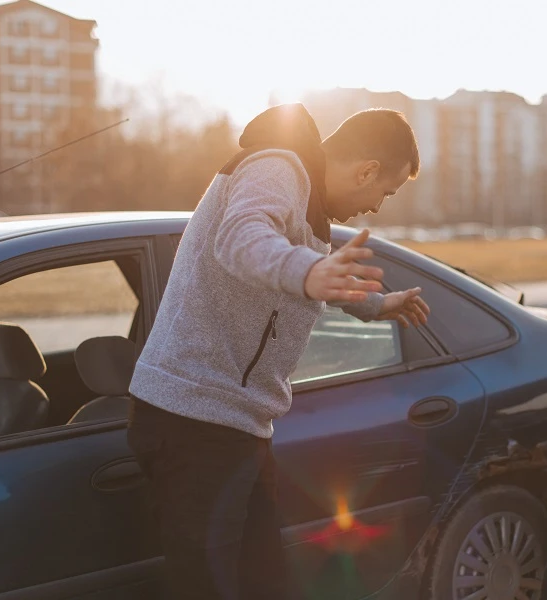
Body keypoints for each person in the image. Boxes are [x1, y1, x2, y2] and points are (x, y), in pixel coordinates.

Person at [127, 103, 430, 599]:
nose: (378, 206)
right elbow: (243, 237)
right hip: (193, 417)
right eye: (386, 192)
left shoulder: (312, 208)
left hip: (237, 422)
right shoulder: (277, 167)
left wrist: (374, 305)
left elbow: (309, 272)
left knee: (265, 582)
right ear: (368, 170)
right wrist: (306, 273)